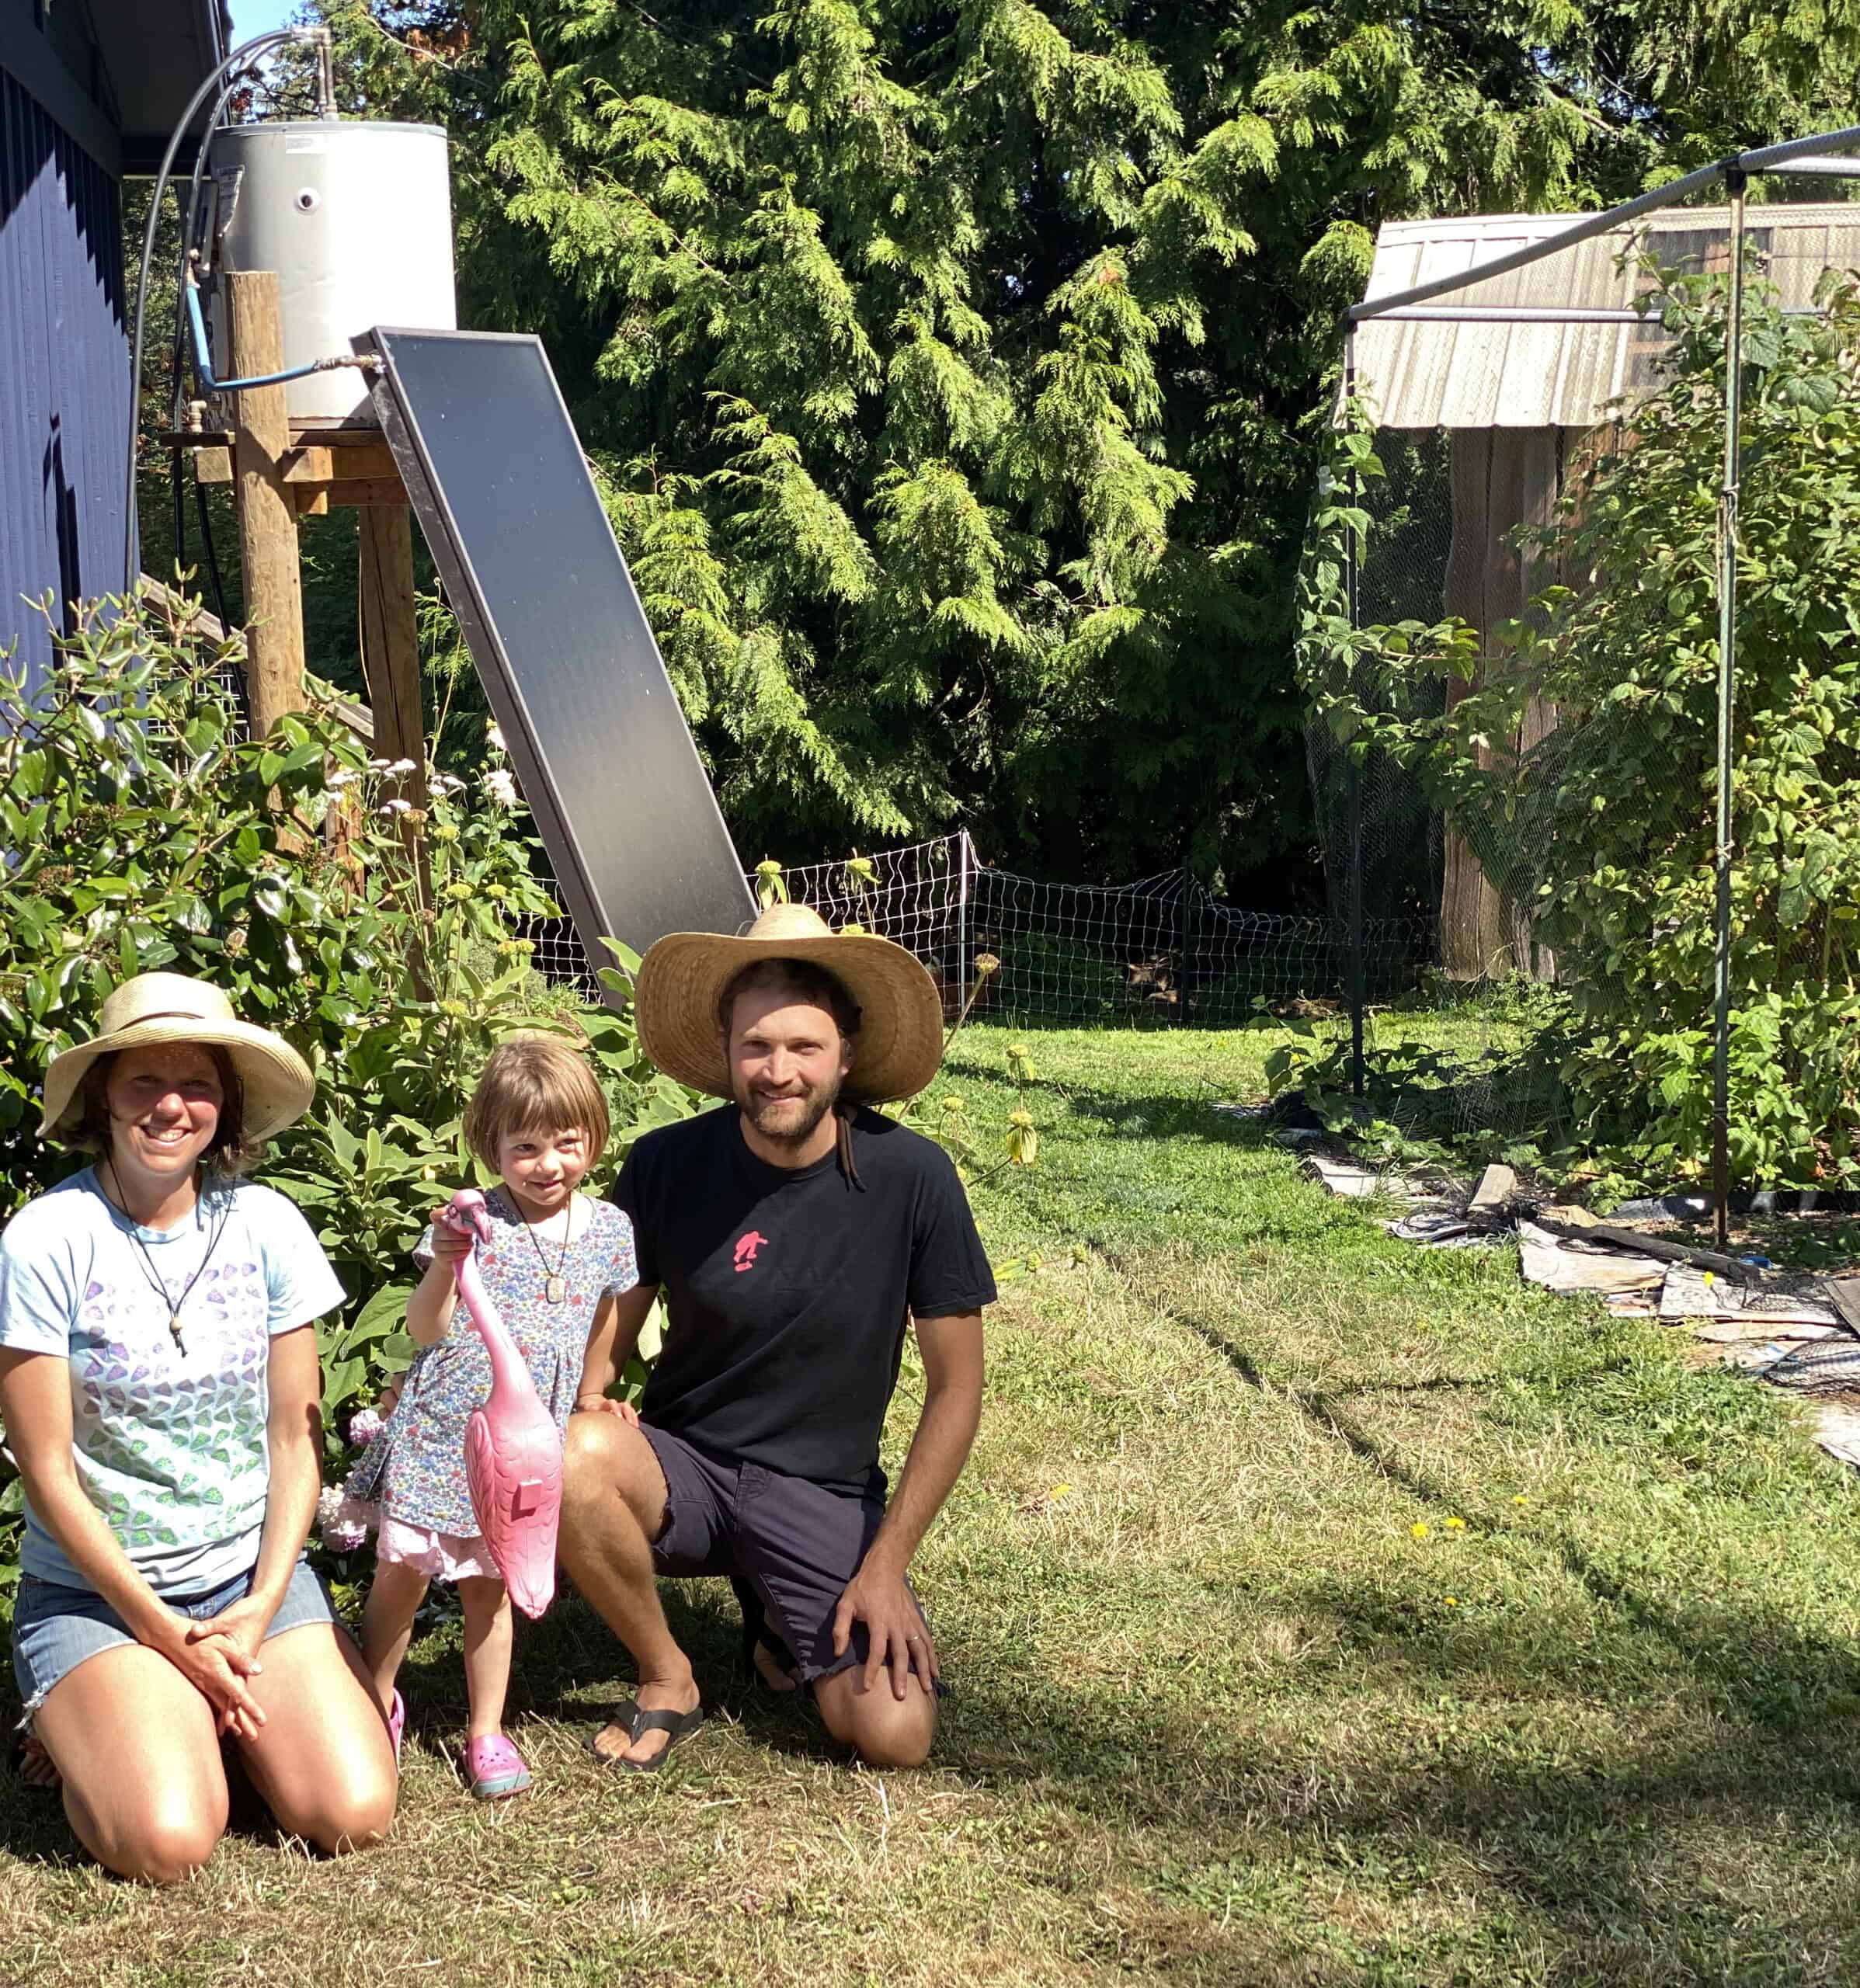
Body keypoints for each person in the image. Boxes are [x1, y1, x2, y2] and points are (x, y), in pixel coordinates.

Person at [565, 903, 995, 1771]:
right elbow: (615, 1316)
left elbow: (957, 1387)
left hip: (819, 1488)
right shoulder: (666, 1164)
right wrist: (583, 1408)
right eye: (756, 1046)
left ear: (846, 1050)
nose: (778, 1070)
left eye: (803, 1046)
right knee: (570, 1457)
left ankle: (774, 1610)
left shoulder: (913, 1178)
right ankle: (666, 1673)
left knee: (893, 1734)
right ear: (725, 1051)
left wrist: (885, 1563)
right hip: (681, 1462)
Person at [0, 973, 397, 1882]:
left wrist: (258, 1608)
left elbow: (295, 1439)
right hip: (100, 1596)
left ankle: (182, 1716)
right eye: (146, 1082)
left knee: (354, 1813)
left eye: (199, 1083)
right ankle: (90, 1722)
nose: (173, 1105)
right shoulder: (46, 1239)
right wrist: (162, 1630)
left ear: (229, 1101)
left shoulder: (267, 1225)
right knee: (164, 1843)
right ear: (103, 1095)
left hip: (248, 1578)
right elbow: (47, 1470)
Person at [336, 1034, 638, 1799]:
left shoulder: (608, 1229)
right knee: (402, 1575)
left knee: (491, 1585)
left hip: (520, 1448)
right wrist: (443, 1260)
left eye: (566, 1143)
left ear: (594, 1137)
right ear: (491, 1145)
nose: (548, 1164)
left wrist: (589, 1394)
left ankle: (486, 1730)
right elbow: (425, 1328)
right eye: (525, 1146)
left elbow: (603, 1315)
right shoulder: (473, 1226)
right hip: (444, 1429)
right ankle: (373, 1701)